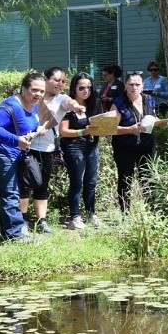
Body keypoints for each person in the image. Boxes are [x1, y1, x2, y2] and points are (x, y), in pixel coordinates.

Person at [0, 72, 46, 242]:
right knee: (10, 193)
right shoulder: (10, 106)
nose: (38, 94)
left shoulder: (33, 105)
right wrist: (16, 140)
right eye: (34, 90)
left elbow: (26, 126)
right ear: (24, 89)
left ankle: (9, 232)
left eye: (42, 91)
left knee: (12, 192)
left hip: (13, 154)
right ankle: (14, 236)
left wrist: (38, 131)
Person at [27, 67, 85, 234]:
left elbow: (70, 103)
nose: (60, 84)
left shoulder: (62, 99)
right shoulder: (33, 96)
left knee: (42, 185)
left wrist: (77, 107)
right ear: (46, 79)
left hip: (47, 149)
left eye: (63, 81)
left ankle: (41, 222)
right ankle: (22, 220)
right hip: (26, 147)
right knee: (23, 186)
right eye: (56, 80)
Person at [59, 72, 103, 230]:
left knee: (91, 183)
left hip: (92, 146)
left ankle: (91, 214)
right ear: (74, 88)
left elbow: (100, 124)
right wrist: (82, 132)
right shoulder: (68, 105)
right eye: (82, 87)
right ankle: (75, 217)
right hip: (74, 147)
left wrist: (106, 129)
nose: (86, 91)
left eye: (89, 87)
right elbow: (63, 131)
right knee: (77, 182)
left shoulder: (95, 103)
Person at [111, 71, 157, 212]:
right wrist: (130, 129)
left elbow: (154, 117)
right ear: (125, 86)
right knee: (126, 178)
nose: (134, 87)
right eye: (131, 84)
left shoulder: (149, 99)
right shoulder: (118, 103)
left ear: (142, 86)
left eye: (137, 84)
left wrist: (161, 123)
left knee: (148, 178)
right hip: (125, 146)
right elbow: (111, 129)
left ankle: (151, 211)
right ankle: (125, 211)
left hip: (147, 145)